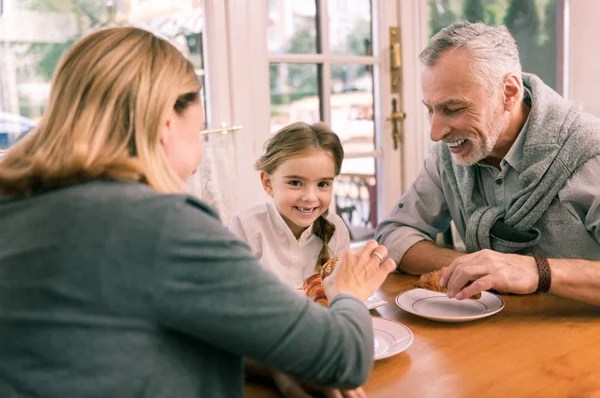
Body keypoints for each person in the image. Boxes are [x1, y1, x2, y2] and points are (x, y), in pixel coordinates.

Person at [0, 27, 397, 398]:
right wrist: (348, 290)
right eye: (201, 128)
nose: (201, 148)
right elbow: (345, 358)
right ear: (167, 124)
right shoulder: (164, 225)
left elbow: (130, 346)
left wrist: (272, 362)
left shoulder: (15, 205)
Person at [376, 22, 600, 306]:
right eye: (430, 110)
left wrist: (535, 271)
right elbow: (394, 235)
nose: (435, 132)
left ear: (508, 92)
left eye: (453, 109)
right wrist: (474, 267)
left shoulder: (591, 153)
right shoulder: (450, 154)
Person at [230, 122, 365, 398]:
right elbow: (234, 317)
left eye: (323, 184)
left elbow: (336, 303)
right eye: (295, 182)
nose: (310, 197)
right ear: (268, 183)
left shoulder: (336, 228)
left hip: (321, 350)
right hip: (261, 356)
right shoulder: (245, 227)